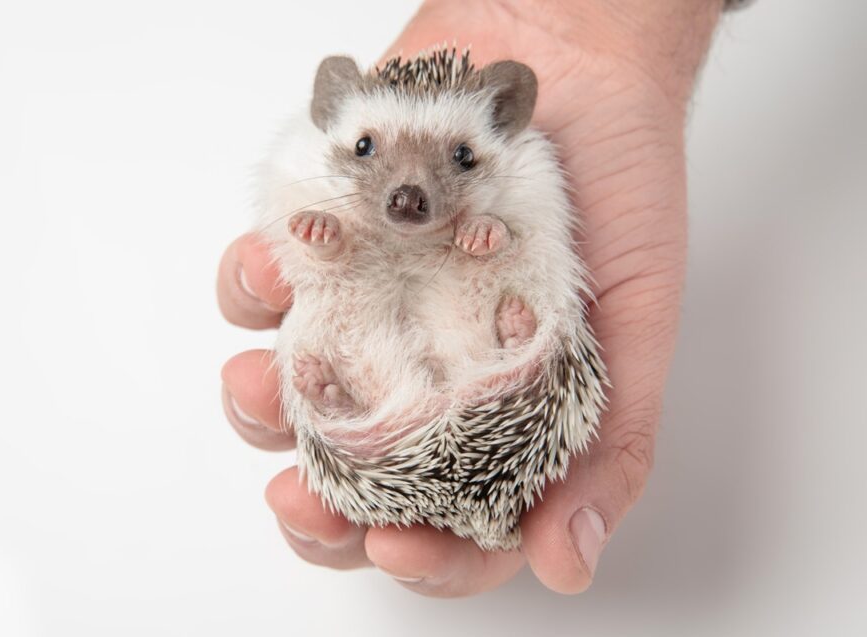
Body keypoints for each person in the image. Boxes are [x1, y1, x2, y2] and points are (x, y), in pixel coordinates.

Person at [217, 0, 737, 597]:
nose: (409, 191)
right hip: (398, 367)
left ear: (504, 129)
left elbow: (537, 246)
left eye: (460, 158)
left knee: (499, 279)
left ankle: (387, 393)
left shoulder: (522, 183)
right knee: (330, 282)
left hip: (469, 360)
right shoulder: (304, 176)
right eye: (367, 150)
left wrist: (501, 239)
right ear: (329, 116)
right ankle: (360, 397)